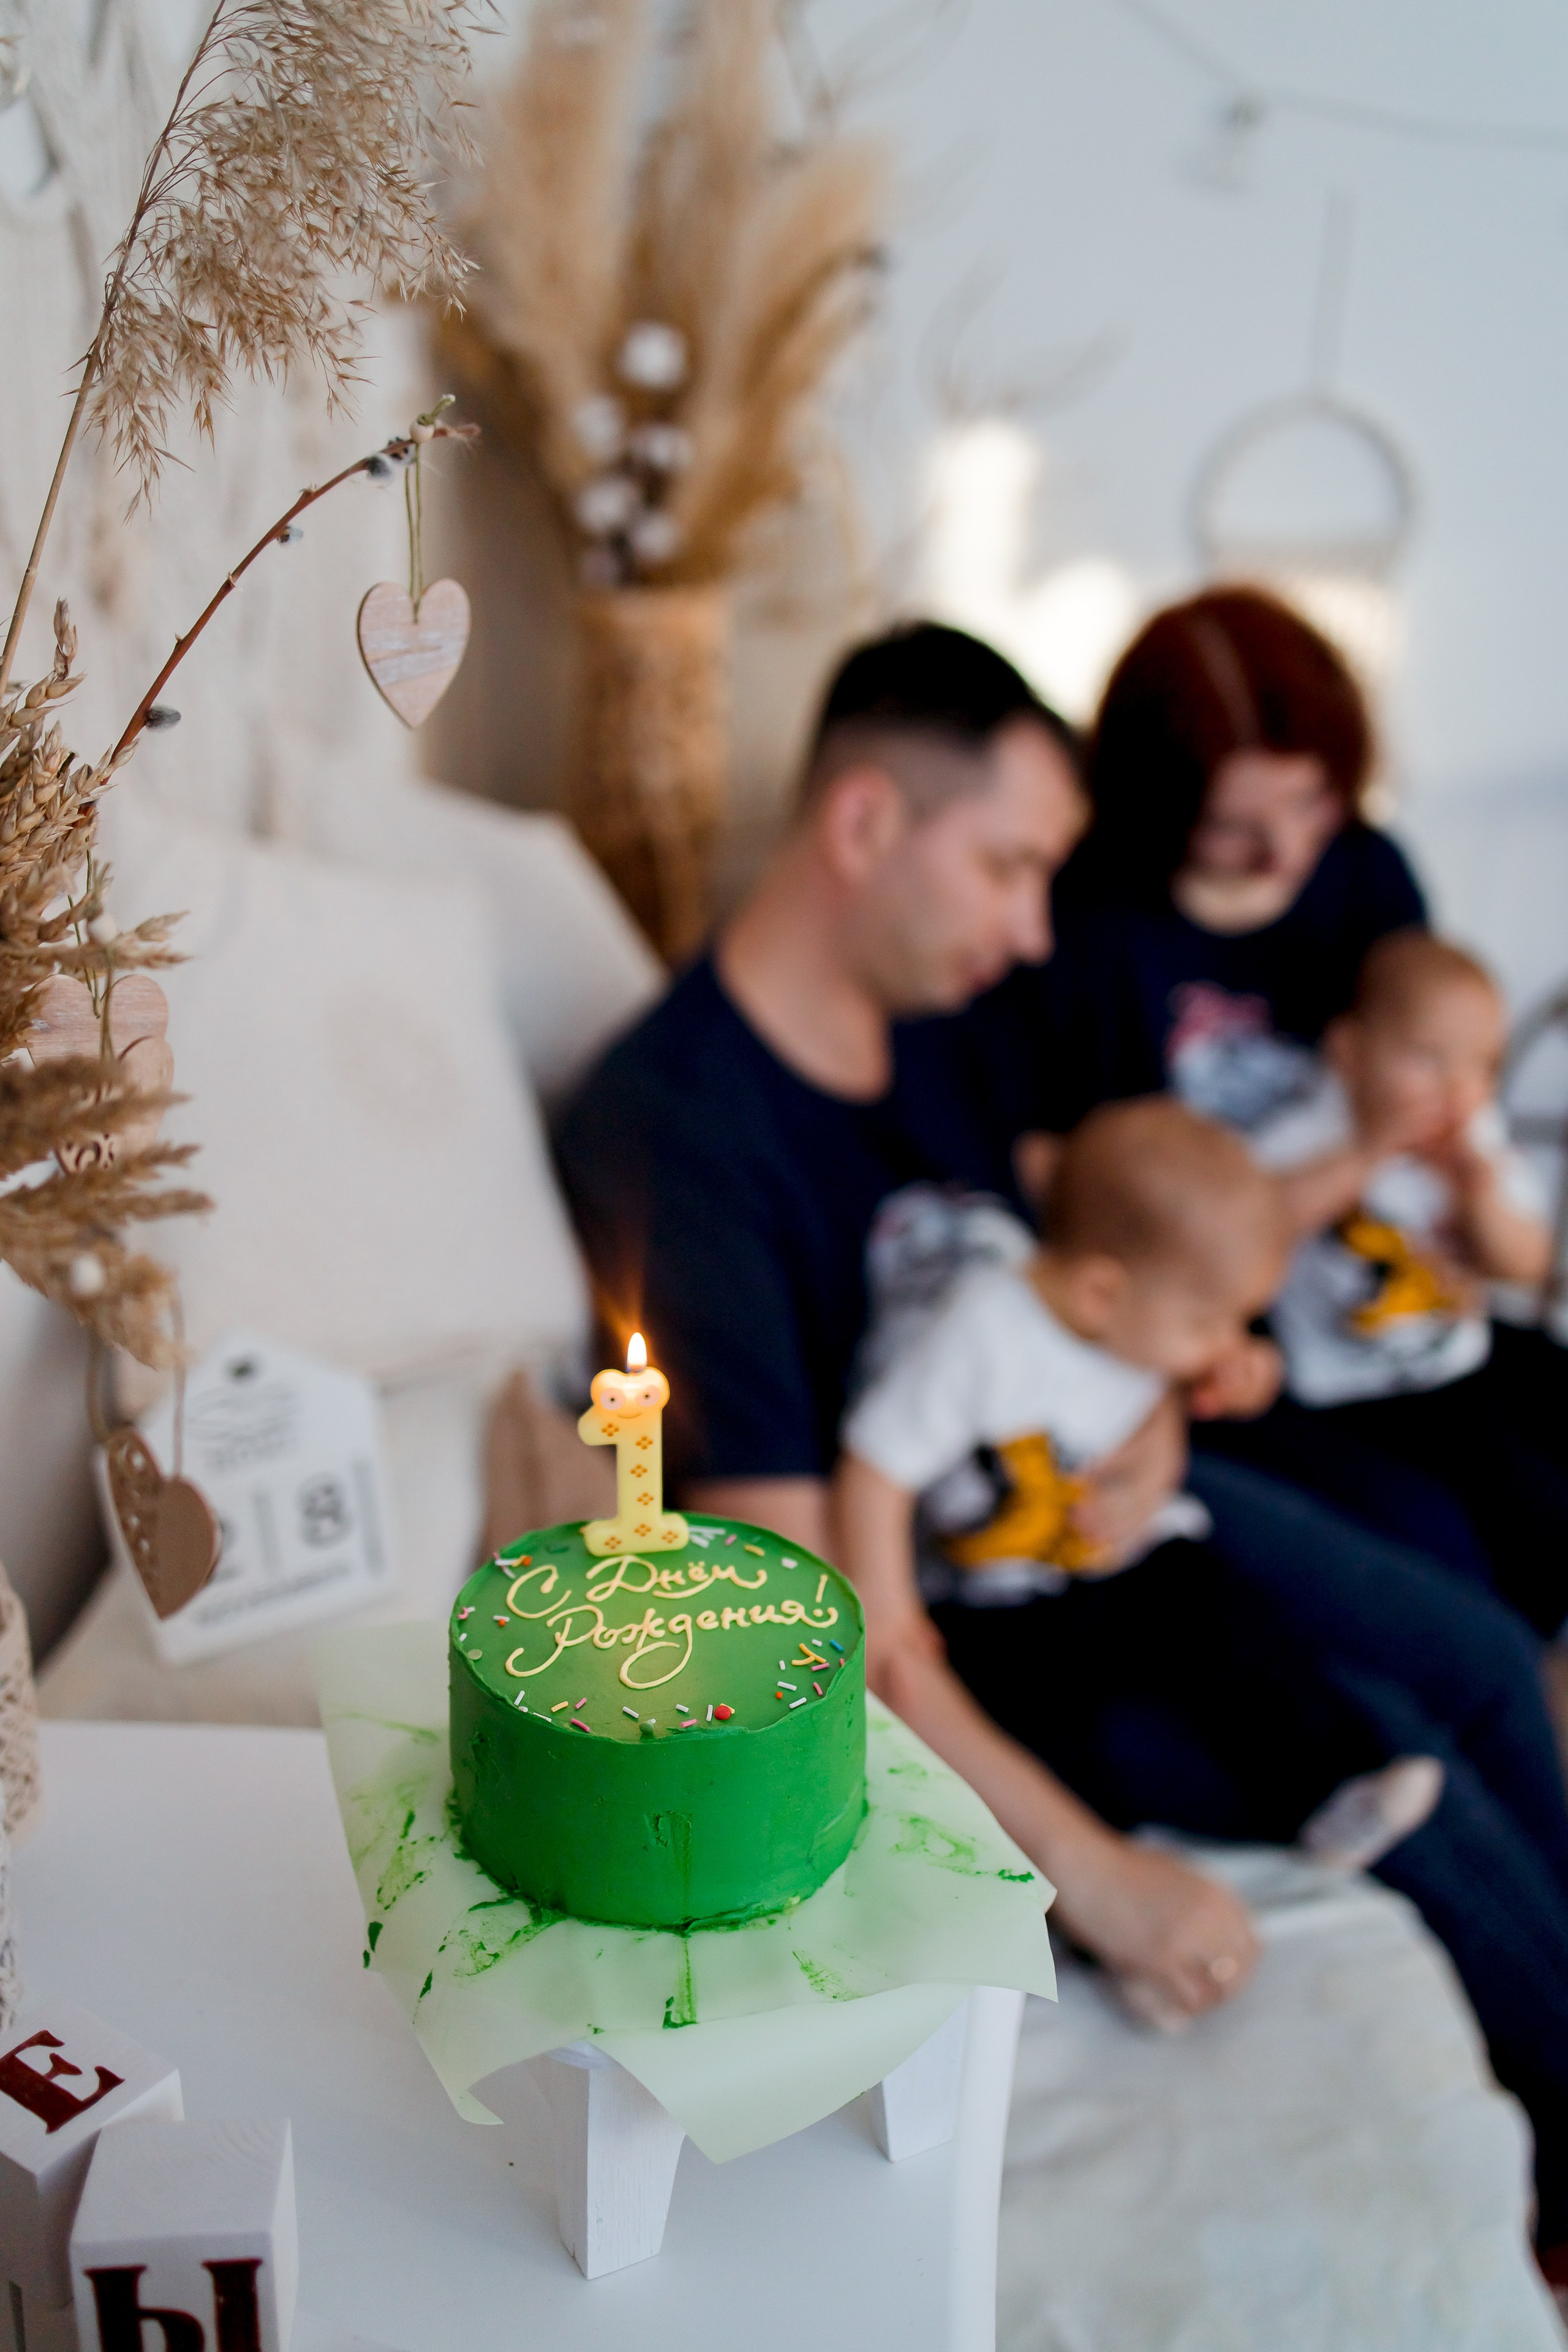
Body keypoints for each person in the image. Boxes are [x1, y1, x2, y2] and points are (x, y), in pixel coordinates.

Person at [557, 620, 1568, 2253]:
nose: (1040, 928)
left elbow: (1107, 1270)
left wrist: (1163, 1411)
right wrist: (1085, 1868)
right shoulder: (682, 1137)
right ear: (868, 823)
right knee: (1395, 1757)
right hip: (1007, 1620)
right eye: (1013, 868)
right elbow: (806, 1611)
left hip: (1136, 1484)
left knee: (1468, 1645)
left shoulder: (957, 1014)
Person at [835, 1097, 1445, 2037]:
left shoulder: (1146, 1311)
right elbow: (878, 1459)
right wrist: (883, 1599)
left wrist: (1236, 1369)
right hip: (1001, 1594)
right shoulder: (980, 1333)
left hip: (1125, 1560)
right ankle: (1097, 1936)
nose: (1223, 1340)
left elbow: (1194, 1366)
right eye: (1212, 1320)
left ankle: (1335, 1782)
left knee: (1230, 1625)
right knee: (1066, 1744)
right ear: (1101, 1295)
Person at [963, 583, 1427, 1153]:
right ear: (1153, 808)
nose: (1282, 852)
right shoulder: (1076, 915)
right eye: (1230, 826)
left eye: (1309, 802)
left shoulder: (1368, 876)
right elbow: (1035, 1153)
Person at [1206, 929, 1568, 1635]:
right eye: (1428, 1060)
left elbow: (1523, 1262)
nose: (1458, 1091)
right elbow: (1249, 1234)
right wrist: (1366, 1151)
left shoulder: (1473, 1141)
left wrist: (1474, 1192)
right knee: (1503, 1507)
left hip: (1454, 1355)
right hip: (1355, 1390)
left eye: (1481, 1068)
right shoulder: (1310, 1130)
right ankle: (1515, 1635)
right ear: (1347, 1053)